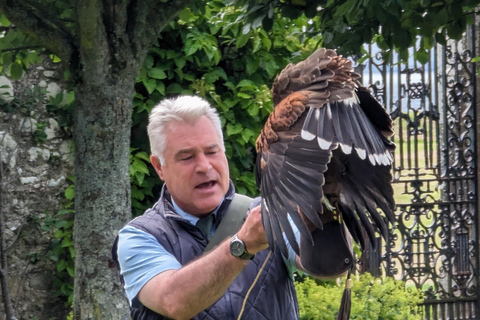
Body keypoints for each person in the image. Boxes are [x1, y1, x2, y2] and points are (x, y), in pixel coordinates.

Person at [112, 95, 320, 319]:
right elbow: (173, 301)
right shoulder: (138, 237)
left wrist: (327, 207)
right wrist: (243, 244)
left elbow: (326, 264)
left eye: (212, 152)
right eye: (187, 157)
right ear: (159, 167)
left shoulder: (268, 213)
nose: (203, 166)